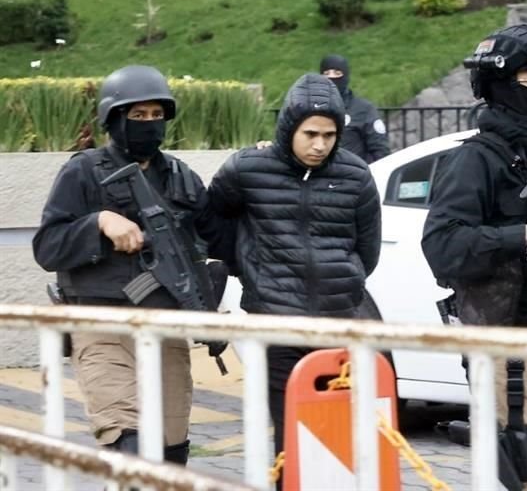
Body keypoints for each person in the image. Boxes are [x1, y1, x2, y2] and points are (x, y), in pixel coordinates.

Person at [422, 24, 527, 491]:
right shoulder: (476, 160)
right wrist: (523, 236)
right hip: (510, 352)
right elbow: (442, 247)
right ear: (502, 87)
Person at [32, 64, 231, 463]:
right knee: (131, 447)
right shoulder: (84, 171)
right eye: (138, 115)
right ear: (114, 118)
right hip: (103, 328)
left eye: (157, 116)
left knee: (170, 454)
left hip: (167, 330)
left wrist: (265, 163)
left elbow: (222, 237)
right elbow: (47, 246)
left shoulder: (181, 178)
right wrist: (99, 223)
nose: (149, 124)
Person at [206, 72, 381, 463]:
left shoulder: (355, 176)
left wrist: (345, 278)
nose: (320, 145)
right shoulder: (246, 169)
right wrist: (247, 268)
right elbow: (212, 221)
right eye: (310, 134)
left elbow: (367, 251)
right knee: (292, 440)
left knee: (337, 439)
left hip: (338, 323)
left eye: (329, 136)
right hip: (276, 323)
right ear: (289, 129)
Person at [319, 54, 391, 162]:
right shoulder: (312, 107)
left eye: (337, 73)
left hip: (353, 175)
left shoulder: (363, 109)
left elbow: (380, 150)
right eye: (326, 74)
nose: (331, 77)